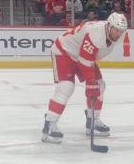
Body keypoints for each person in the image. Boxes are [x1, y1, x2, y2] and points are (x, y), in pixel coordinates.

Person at [41, 12, 127, 142]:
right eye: (116, 29)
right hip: (65, 51)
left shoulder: (120, 35)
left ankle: (93, 121)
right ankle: (49, 124)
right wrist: (90, 83)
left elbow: (89, 57)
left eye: (121, 30)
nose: (118, 33)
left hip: (83, 55)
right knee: (66, 87)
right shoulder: (95, 33)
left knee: (99, 85)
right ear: (109, 26)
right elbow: (85, 61)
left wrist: (93, 84)